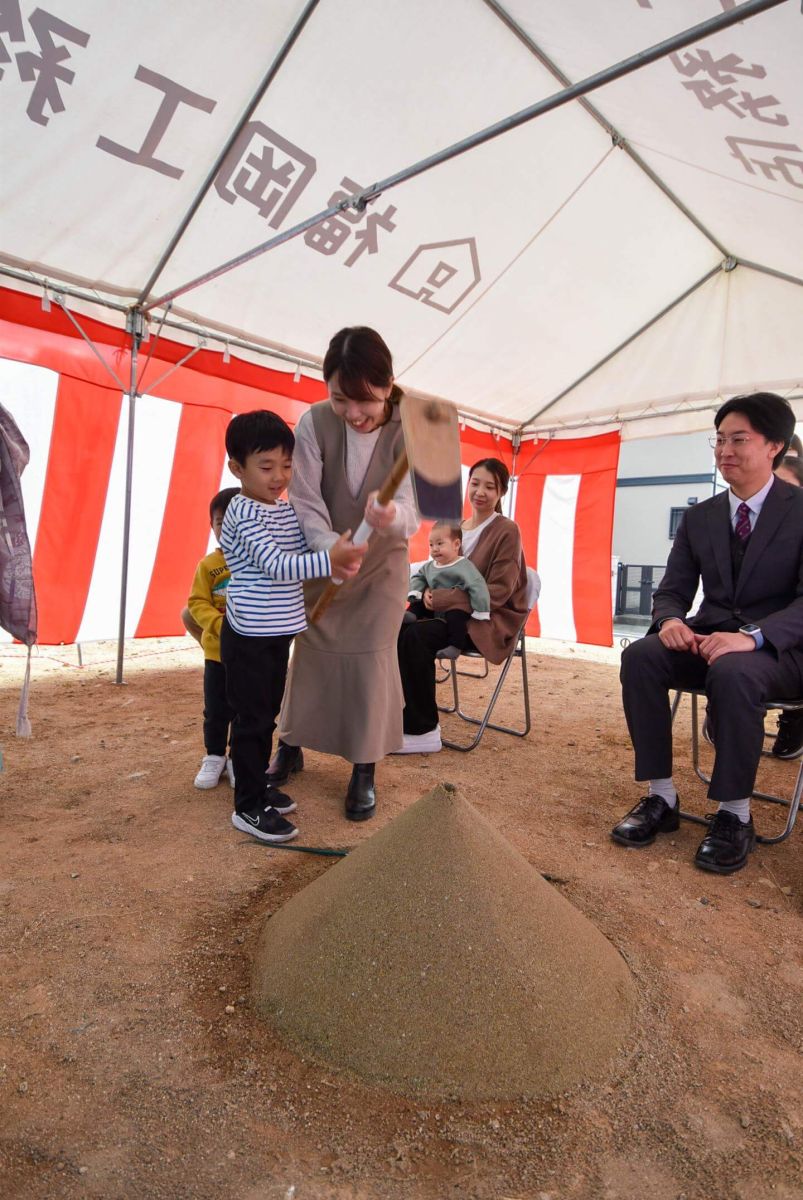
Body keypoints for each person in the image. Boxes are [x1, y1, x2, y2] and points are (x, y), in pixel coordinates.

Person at [612, 392, 803, 874]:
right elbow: (672, 589)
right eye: (718, 440)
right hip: (710, 638)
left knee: (736, 673)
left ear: (774, 446)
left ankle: (734, 815)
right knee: (641, 656)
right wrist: (672, 620)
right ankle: (661, 797)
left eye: (739, 439)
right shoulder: (701, 517)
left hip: (781, 651)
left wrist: (753, 635)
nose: (724, 451)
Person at [270, 327, 419, 822]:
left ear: (389, 383)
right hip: (325, 560)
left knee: (371, 660)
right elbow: (306, 500)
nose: (353, 413)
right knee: (310, 653)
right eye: (340, 399)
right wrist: (328, 546)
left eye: (365, 402)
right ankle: (290, 744)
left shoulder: (420, 424)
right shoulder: (312, 423)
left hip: (382, 569)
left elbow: (420, 509)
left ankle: (363, 769)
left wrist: (391, 517)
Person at [220, 409, 365, 844]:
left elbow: (307, 545)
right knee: (253, 719)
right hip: (247, 636)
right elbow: (279, 566)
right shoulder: (241, 512)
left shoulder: (283, 511)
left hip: (277, 632)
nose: (280, 476)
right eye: (266, 467)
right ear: (237, 468)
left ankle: (258, 784)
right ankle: (247, 806)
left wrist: (336, 552)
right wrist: (329, 561)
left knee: (267, 714)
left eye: (287, 465)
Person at [396, 458, 528, 753]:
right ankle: (403, 718)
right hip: (445, 613)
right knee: (397, 631)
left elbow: (499, 591)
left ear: (501, 492)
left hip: (483, 619)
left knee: (417, 636)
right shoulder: (456, 526)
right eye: (475, 483)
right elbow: (436, 567)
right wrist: (427, 591)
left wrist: (442, 598)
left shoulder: (507, 530)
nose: (480, 492)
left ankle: (423, 731)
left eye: (490, 486)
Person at [184, 487, 239, 790]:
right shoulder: (208, 565)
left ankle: (237, 759)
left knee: (245, 710)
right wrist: (217, 624)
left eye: (234, 521)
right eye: (220, 522)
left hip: (249, 655)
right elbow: (196, 602)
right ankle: (215, 756)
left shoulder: (258, 562)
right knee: (216, 708)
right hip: (217, 652)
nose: (227, 528)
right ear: (212, 526)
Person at [405, 522, 491, 657]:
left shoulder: (464, 566)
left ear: (456, 545)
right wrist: (416, 592)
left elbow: (477, 585)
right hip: (434, 607)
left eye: (440, 544)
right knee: (419, 602)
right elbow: (418, 577)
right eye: (431, 545)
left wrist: (481, 610)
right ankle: (411, 615)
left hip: (453, 605)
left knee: (456, 615)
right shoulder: (430, 566)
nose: (434, 549)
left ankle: (455, 646)